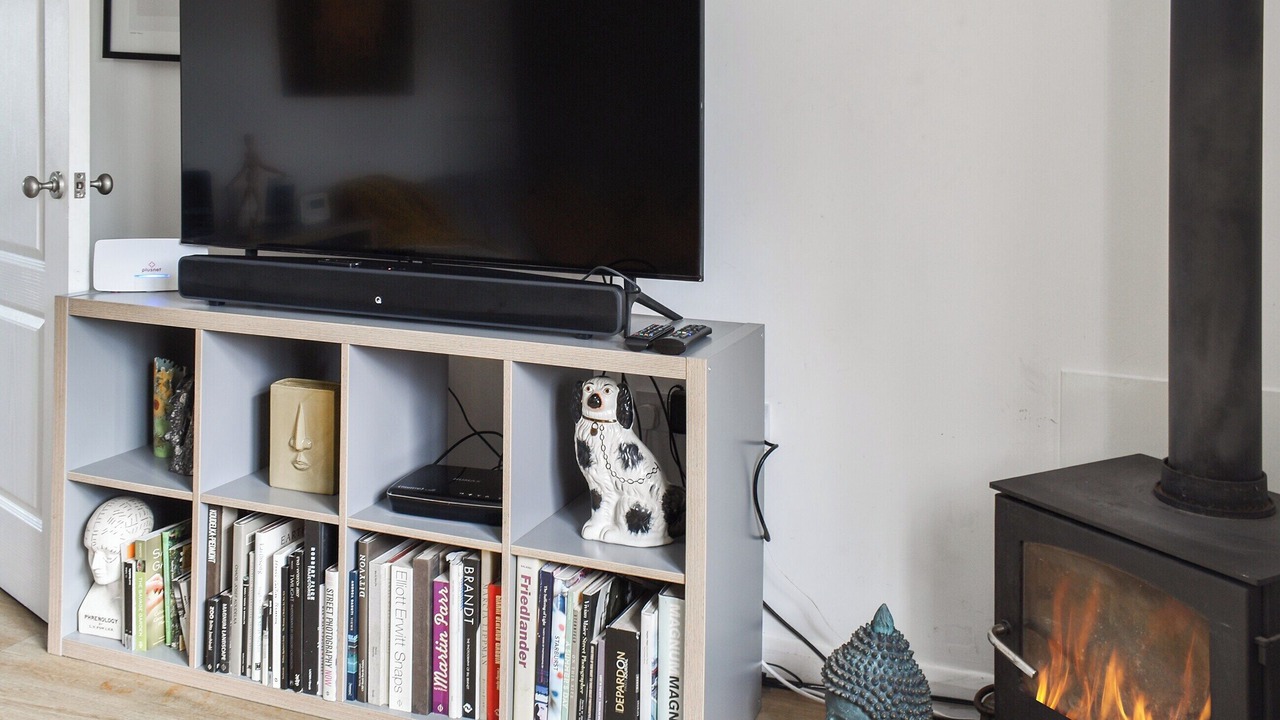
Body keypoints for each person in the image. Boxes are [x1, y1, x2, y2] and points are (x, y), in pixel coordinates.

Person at [78, 496, 154, 640]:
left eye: (109, 555)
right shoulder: (92, 600)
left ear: (137, 551)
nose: (94, 565)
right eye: (91, 551)